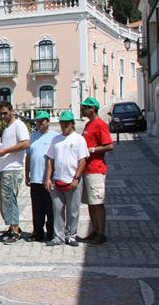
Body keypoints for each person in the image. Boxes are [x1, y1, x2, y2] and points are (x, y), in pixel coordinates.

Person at [45, 111, 89, 247]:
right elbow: (50, 160)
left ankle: (71, 235)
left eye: (67, 123)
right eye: (62, 123)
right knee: (57, 209)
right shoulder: (56, 140)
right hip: (57, 179)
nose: (64, 125)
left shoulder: (79, 139)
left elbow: (82, 160)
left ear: (72, 124)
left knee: (73, 210)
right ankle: (58, 236)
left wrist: (76, 178)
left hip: (73, 180)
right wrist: (48, 178)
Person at [0, 101, 31, 245]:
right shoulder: (7, 128)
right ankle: (11, 226)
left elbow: (25, 143)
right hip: (3, 168)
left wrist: (5, 151)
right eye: (0, 113)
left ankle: (15, 231)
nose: (2, 116)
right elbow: (7, 147)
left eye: (5, 113)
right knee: (3, 200)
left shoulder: (19, 125)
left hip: (13, 169)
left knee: (10, 199)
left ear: (12, 111)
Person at [79, 97, 114, 245]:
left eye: (85, 107)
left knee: (98, 202)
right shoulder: (88, 125)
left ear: (92, 109)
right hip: (86, 169)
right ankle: (94, 230)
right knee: (90, 203)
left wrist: (91, 150)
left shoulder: (100, 124)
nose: (82, 109)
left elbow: (109, 145)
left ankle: (101, 233)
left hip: (96, 169)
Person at [26, 111, 57, 242]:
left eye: (41, 121)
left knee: (50, 207)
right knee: (37, 208)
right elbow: (28, 155)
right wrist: (26, 174)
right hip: (35, 178)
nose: (39, 124)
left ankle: (51, 232)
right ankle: (37, 231)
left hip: (48, 178)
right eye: (37, 121)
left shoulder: (55, 136)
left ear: (47, 121)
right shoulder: (33, 136)